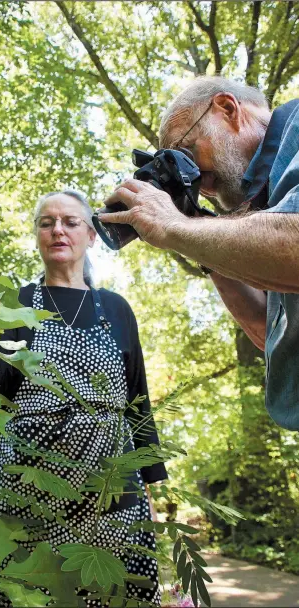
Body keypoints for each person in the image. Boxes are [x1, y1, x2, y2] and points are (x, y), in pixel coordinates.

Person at [0, 190, 167, 607]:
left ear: (90, 234)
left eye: (70, 222)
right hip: (24, 495)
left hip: (109, 497)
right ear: (37, 235)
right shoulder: (15, 305)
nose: (58, 230)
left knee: (113, 595)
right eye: (46, 222)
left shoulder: (116, 309)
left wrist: (151, 492)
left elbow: (138, 404)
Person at [99, 76, 299, 431]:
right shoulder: (270, 204)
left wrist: (174, 227)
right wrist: (196, 233)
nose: (198, 183)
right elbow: (270, 335)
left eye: (187, 154)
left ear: (227, 108)